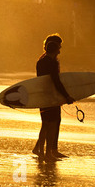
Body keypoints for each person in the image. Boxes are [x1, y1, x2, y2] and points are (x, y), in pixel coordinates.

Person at [32, 34, 75, 162]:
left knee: (46, 124)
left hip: (43, 96)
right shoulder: (52, 62)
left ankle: (42, 151)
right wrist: (66, 96)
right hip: (51, 96)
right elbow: (56, 81)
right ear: (56, 48)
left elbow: (43, 81)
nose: (61, 49)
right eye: (59, 46)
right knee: (53, 123)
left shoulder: (41, 61)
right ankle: (49, 152)